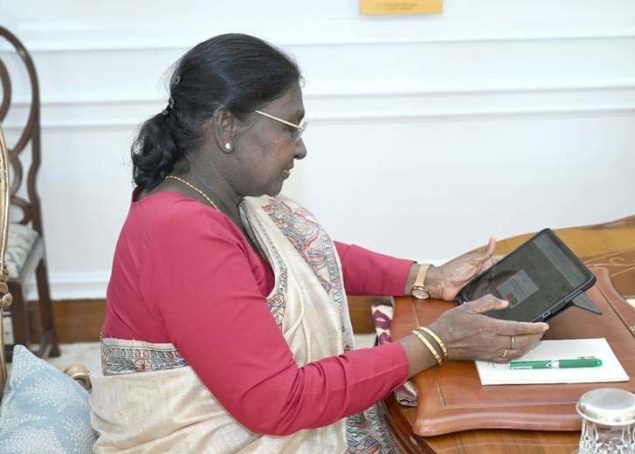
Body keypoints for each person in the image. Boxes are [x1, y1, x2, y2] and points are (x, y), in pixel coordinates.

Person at [90, 33, 549, 453]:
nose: (300, 148)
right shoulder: (180, 231)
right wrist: (436, 342)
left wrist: (428, 277)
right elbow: (279, 402)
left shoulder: (220, 199)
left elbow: (311, 257)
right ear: (227, 126)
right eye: (290, 128)